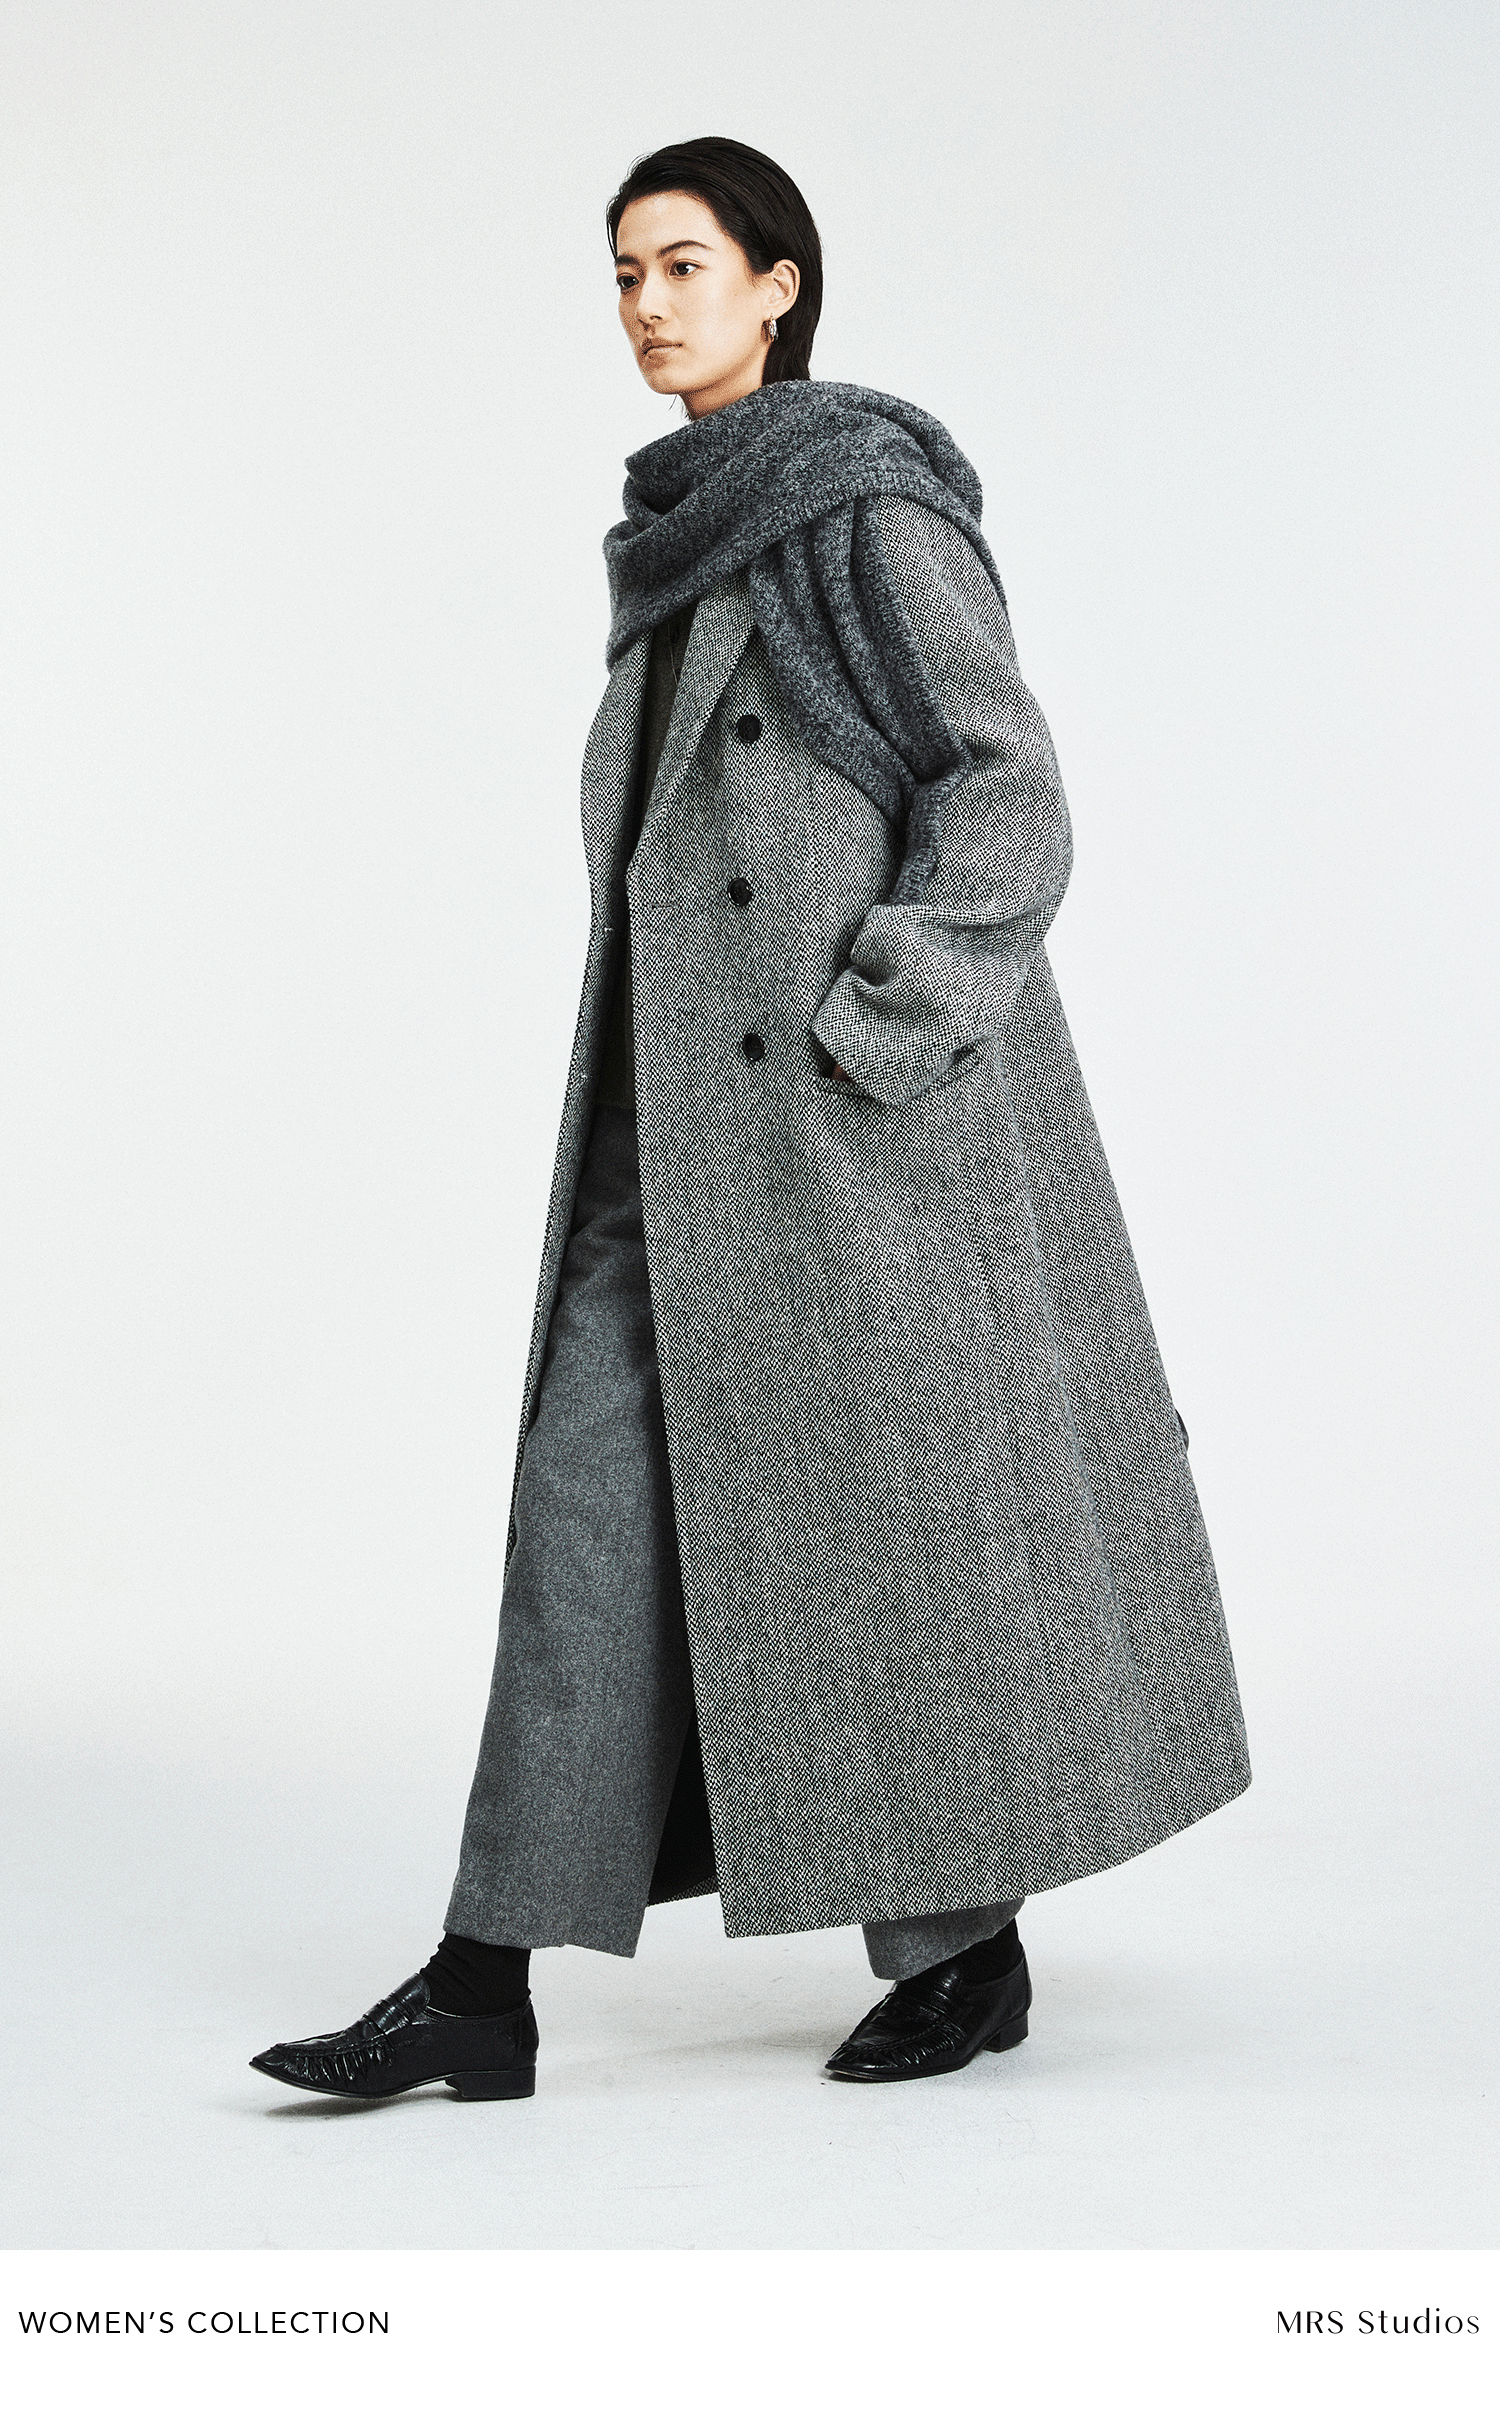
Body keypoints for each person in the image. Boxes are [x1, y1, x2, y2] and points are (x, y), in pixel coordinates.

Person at [250, 135, 1251, 2105]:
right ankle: (481, 1984)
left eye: (684, 264)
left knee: (880, 1540)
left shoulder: (860, 507)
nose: (646, 304)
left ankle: (961, 1952)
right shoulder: (674, 540)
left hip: (847, 1143)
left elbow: (1010, 791)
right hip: (665, 1150)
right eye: (624, 272)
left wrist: (879, 1024)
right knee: (581, 1533)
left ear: (779, 285)